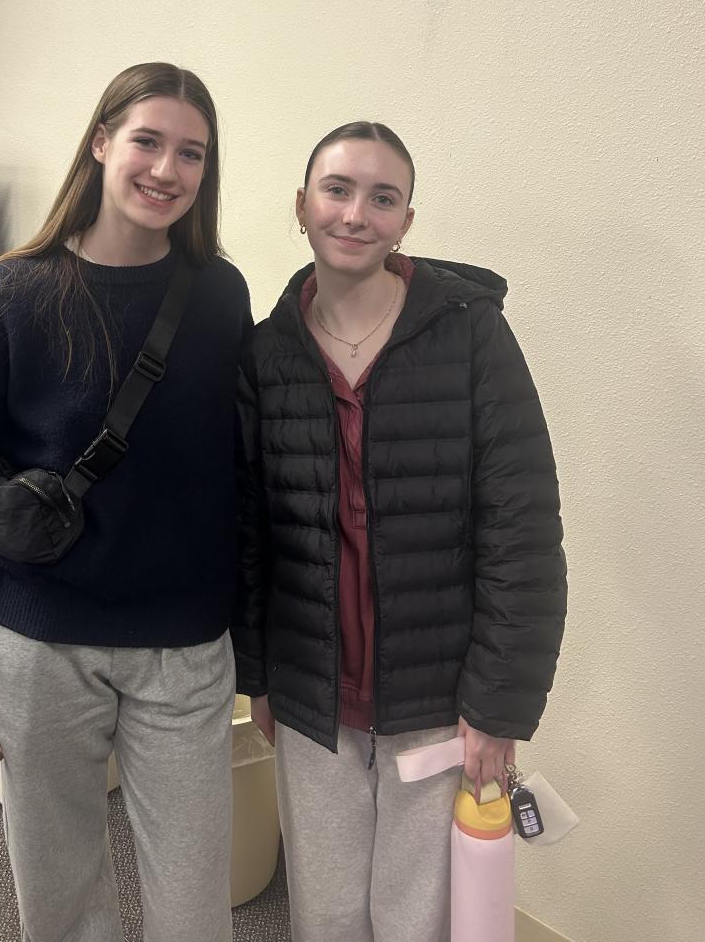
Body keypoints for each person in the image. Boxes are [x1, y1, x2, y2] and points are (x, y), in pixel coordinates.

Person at [0, 63, 251, 942]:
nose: (167, 169)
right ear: (101, 142)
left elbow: (237, 477)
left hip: (184, 650)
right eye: (148, 141)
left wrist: (255, 639)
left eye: (192, 152)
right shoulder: (9, 296)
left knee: (193, 901)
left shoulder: (220, 295)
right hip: (41, 647)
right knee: (59, 895)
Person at [232, 121, 566, 942]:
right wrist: (259, 675)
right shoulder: (267, 353)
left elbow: (522, 528)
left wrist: (498, 705)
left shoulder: (470, 335)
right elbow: (250, 532)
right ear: (302, 207)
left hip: (438, 694)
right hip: (313, 692)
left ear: (406, 221)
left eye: (383, 198)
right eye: (337, 190)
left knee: (415, 917)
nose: (356, 214)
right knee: (326, 912)